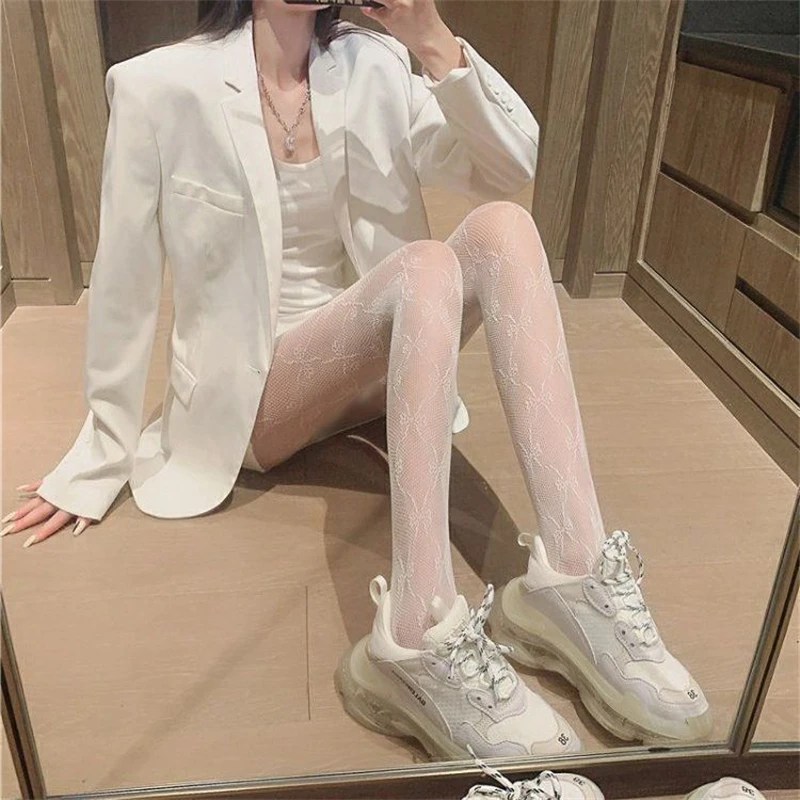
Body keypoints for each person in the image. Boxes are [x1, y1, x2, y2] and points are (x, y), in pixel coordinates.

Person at [3, 0, 710, 759]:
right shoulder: (159, 85)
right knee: (425, 266)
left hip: (378, 373)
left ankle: (573, 575)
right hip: (262, 397)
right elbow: (124, 282)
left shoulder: (375, 64)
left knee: (505, 229)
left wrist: (431, 41)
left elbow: (510, 168)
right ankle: (417, 631)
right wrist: (99, 453)